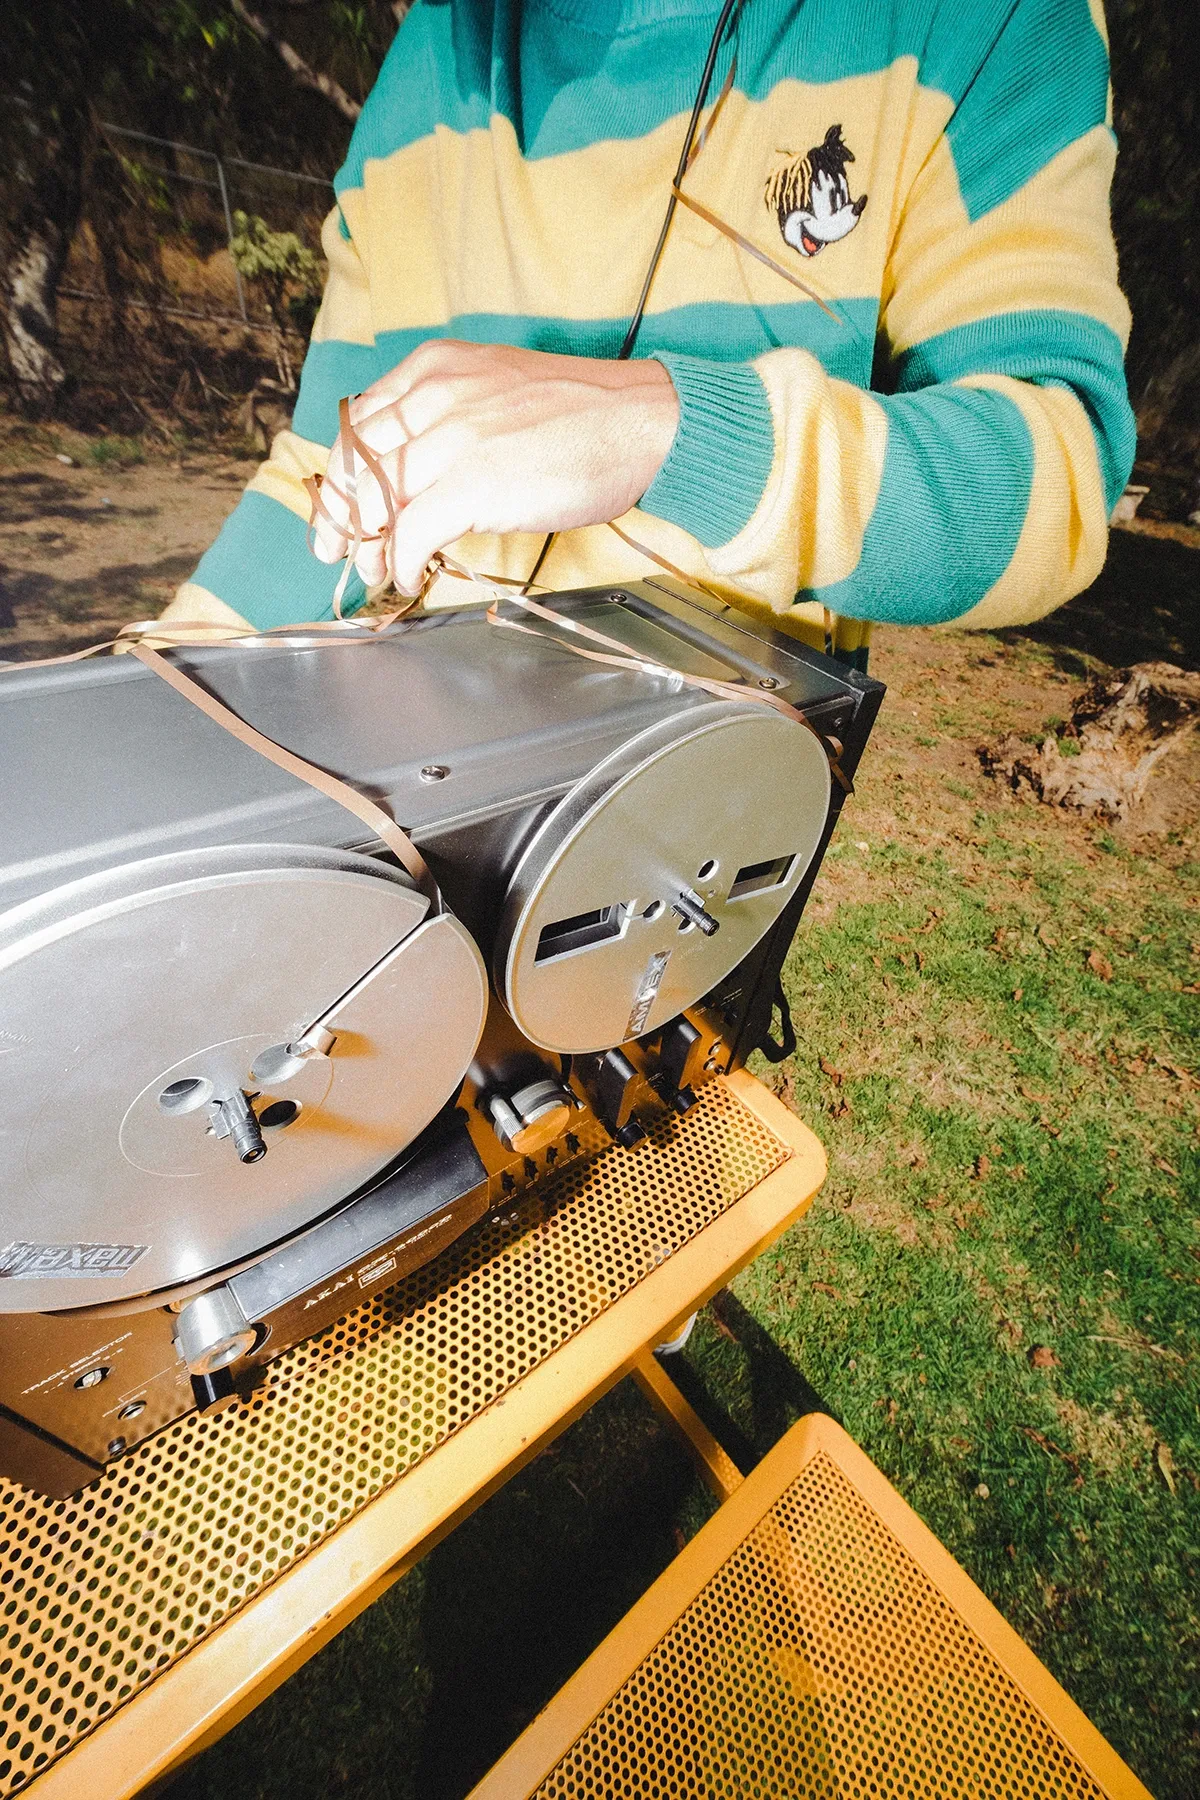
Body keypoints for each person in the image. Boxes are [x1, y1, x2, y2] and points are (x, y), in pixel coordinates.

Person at [157, 0, 1134, 663]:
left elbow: (1059, 474)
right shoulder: (430, 46)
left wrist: (667, 432)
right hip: (391, 789)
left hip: (681, 856)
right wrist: (147, 702)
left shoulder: (990, 18)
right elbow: (328, 476)